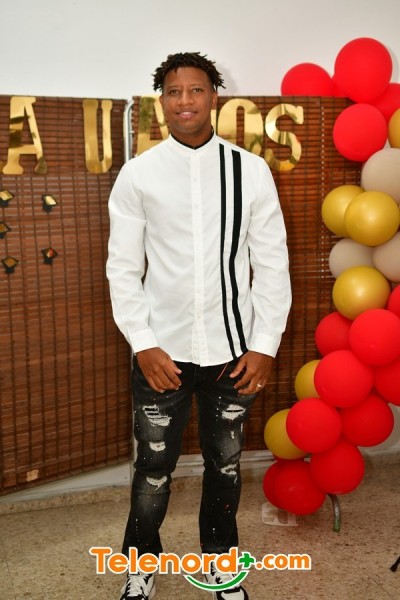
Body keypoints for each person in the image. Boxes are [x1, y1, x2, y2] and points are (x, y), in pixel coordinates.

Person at [106, 51, 291, 600]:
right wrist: (143, 344)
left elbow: (272, 264)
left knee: (226, 467)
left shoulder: (250, 171)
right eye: (173, 91)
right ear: (161, 101)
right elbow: (122, 268)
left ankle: (219, 563)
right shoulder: (139, 174)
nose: (184, 100)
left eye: (195, 89)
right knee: (153, 469)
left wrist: (264, 345)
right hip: (161, 354)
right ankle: (141, 565)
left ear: (214, 96)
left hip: (233, 355)